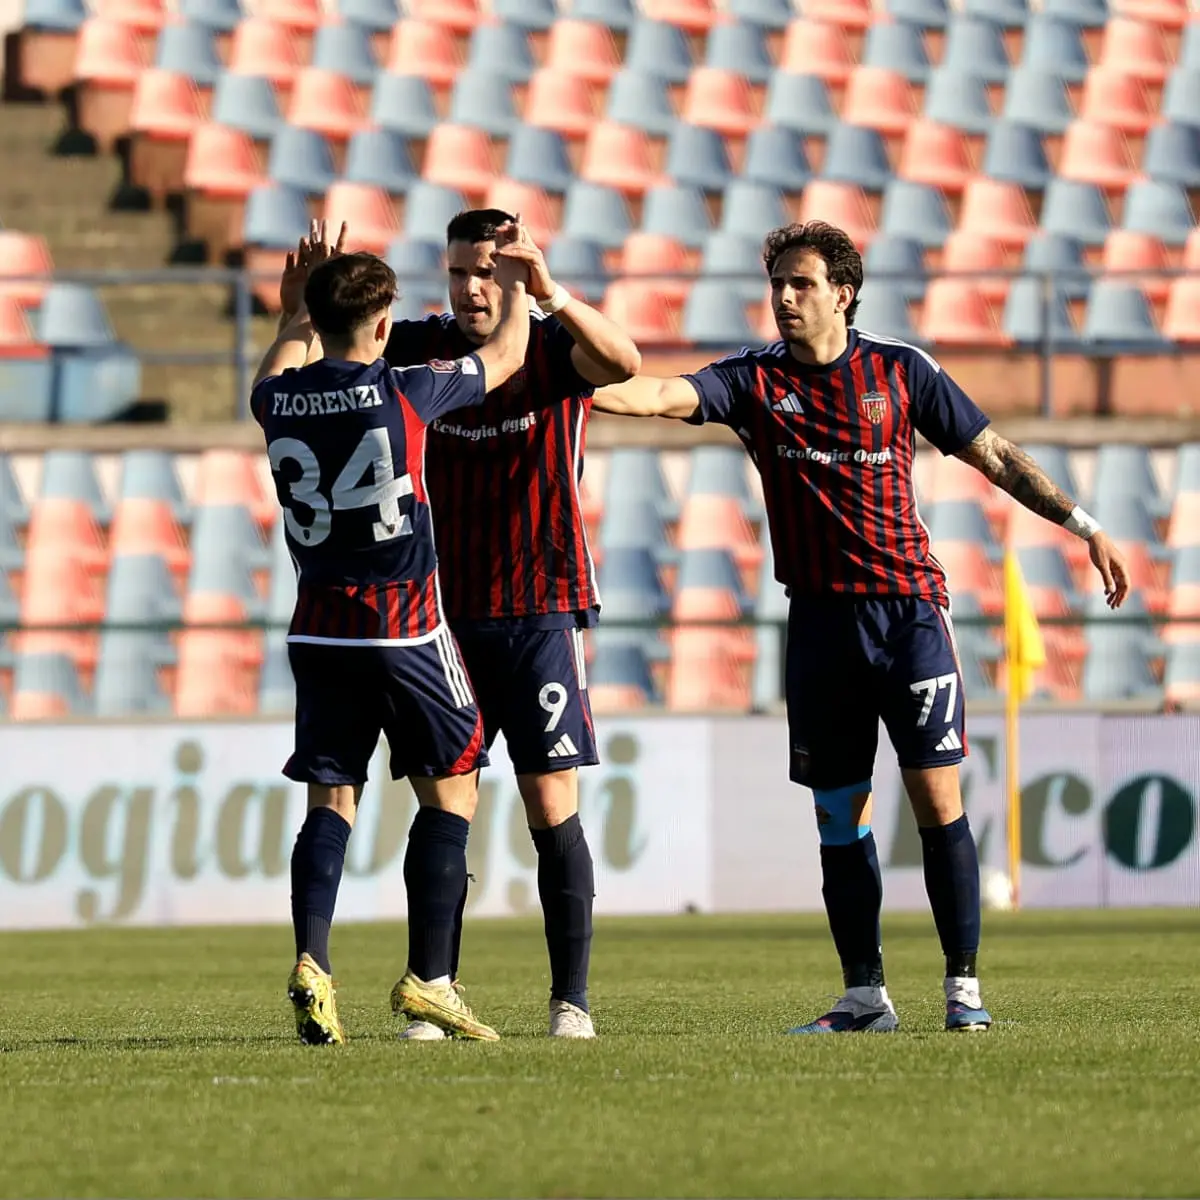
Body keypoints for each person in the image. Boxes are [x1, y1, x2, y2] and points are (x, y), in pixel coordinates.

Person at [587, 220, 1130, 1033]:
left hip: (907, 614)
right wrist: (555, 377)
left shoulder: (900, 370)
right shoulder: (754, 382)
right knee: (840, 816)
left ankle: (964, 993)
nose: (784, 299)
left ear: (842, 292)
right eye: (777, 285)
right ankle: (865, 996)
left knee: (936, 798)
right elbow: (659, 395)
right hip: (818, 626)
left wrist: (1085, 526)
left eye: (801, 285)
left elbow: (998, 457)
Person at [252, 221, 534, 1044]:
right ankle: (431, 980)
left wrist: (291, 314)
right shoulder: (405, 390)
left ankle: (314, 961)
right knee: (452, 786)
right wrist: (518, 284)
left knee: (331, 798)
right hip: (407, 628)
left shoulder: (277, 400)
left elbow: (280, 357)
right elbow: (509, 355)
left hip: (319, 632)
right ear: (382, 326)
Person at [379, 209, 641, 1039]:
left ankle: (571, 1002)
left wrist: (554, 291)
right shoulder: (417, 347)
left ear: (519, 274)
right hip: (440, 618)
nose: (472, 288)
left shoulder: (555, 348)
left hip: (539, 607)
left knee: (549, 803)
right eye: (459, 272)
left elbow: (624, 361)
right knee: (444, 804)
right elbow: (331, 364)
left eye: (488, 271)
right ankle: (433, 988)